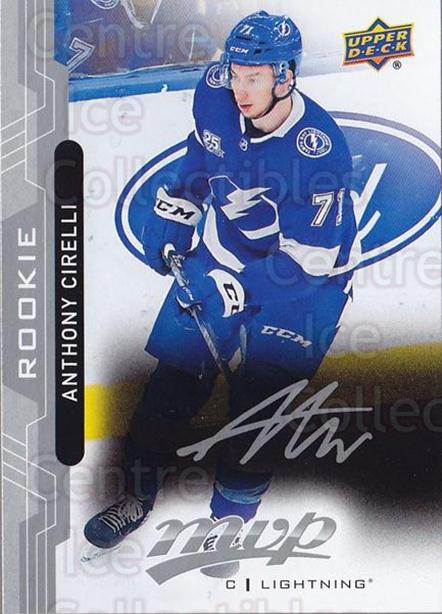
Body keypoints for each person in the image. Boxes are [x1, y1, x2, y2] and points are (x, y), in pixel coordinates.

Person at [83, 10, 358, 575]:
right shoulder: (216, 92)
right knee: (172, 383)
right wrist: (178, 213)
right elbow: (201, 153)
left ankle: (230, 521)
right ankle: (136, 496)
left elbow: (312, 259)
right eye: (236, 73)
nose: (240, 88)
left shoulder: (318, 151)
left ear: (286, 77)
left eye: (255, 77)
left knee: (258, 405)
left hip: (307, 285)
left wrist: (243, 286)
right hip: (223, 255)